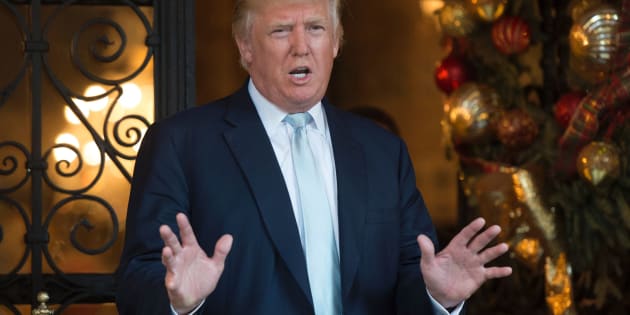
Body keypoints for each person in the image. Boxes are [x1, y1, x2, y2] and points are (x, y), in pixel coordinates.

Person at [116, 0, 512, 314]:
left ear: (336, 41)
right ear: (245, 46)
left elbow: (411, 276)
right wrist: (178, 302)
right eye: (281, 30)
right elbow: (136, 285)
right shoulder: (180, 144)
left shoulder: (382, 152)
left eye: (316, 28)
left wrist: (438, 298)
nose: (301, 46)